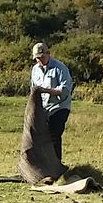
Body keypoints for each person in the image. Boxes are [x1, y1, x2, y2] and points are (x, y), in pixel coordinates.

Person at [29, 41, 74, 181]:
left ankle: (57, 170)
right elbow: (33, 88)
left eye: (41, 57)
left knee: (55, 135)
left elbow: (65, 91)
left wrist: (46, 90)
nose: (39, 60)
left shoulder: (60, 68)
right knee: (42, 137)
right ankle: (44, 167)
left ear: (48, 54)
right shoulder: (35, 69)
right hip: (44, 109)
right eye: (37, 58)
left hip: (59, 107)